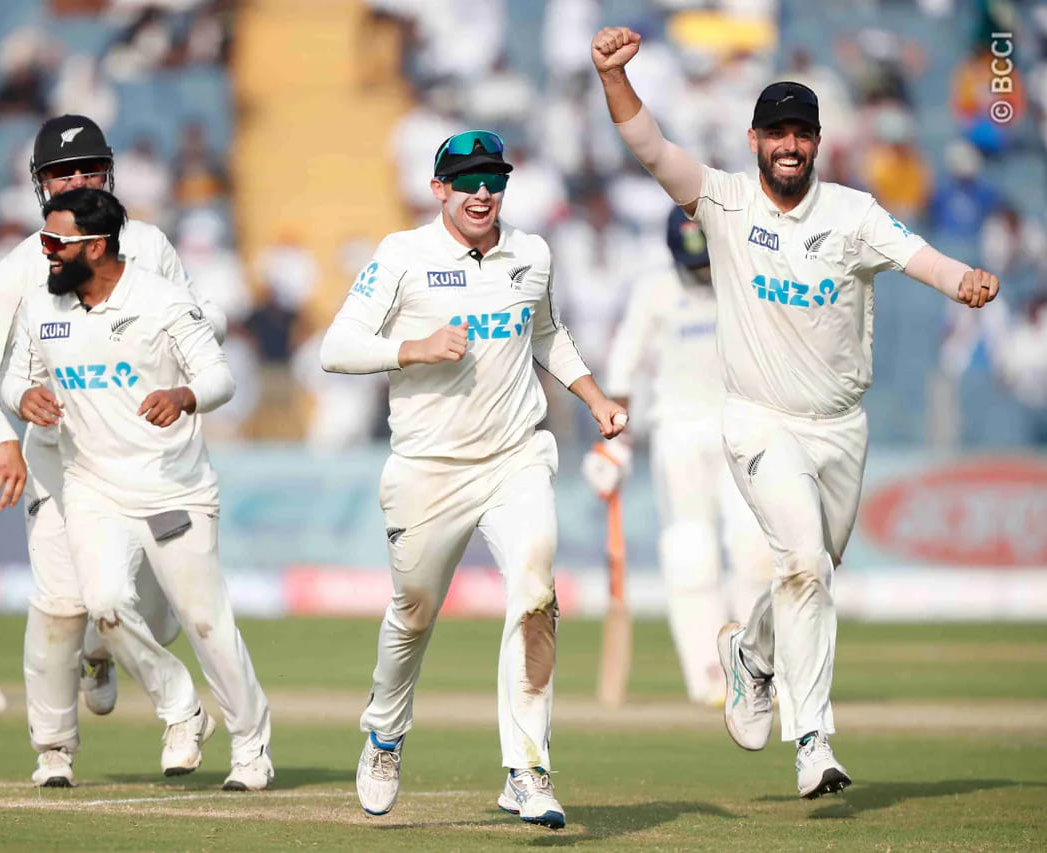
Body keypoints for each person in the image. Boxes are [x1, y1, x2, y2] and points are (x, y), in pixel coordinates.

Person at [592, 27, 1001, 799]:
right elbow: (649, 148)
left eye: (801, 133)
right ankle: (812, 738)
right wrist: (614, 77)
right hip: (758, 418)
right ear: (753, 139)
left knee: (810, 570)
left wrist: (963, 283)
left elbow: (919, 256)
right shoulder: (721, 198)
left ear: (817, 141)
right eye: (775, 132)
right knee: (804, 565)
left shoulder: (852, 213)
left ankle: (752, 653)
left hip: (840, 426)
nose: (788, 145)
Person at [320, 130, 627, 828]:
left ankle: (526, 768)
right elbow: (335, 347)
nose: (483, 192)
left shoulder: (532, 253)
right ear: (439, 190)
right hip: (429, 467)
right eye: (468, 181)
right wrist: (414, 347)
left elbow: (546, 333)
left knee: (537, 593)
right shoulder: (403, 255)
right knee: (413, 613)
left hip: (516, 457)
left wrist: (595, 397)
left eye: (494, 179)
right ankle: (385, 734)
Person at [0, 114, 229, 787]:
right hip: (61, 460)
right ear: (40, 185)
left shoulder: (153, 245)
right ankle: (54, 750)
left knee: (153, 609)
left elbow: (197, 329)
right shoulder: (22, 264)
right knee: (59, 602)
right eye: (60, 173)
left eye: (86, 170)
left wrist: (176, 389)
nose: (75, 181)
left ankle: (104, 651)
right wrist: (8, 432)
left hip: (146, 459)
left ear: (107, 174)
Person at [0, 188, 273, 790]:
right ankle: (180, 708)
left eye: (55, 243)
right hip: (91, 486)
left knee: (205, 622)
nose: (45, 254)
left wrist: (184, 396)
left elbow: (220, 376)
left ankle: (252, 747)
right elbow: (14, 378)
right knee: (102, 605)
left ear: (94, 246)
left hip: (173, 487)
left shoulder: (162, 300)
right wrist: (23, 397)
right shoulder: (43, 309)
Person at [583, 207, 772, 708]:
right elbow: (623, 369)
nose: (700, 272)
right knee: (691, 554)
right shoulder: (656, 290)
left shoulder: (745, 282)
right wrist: (613, 442)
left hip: (741, 427)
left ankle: (757, 670)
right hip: (678, 432)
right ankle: (708, 675)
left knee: (753, 549)